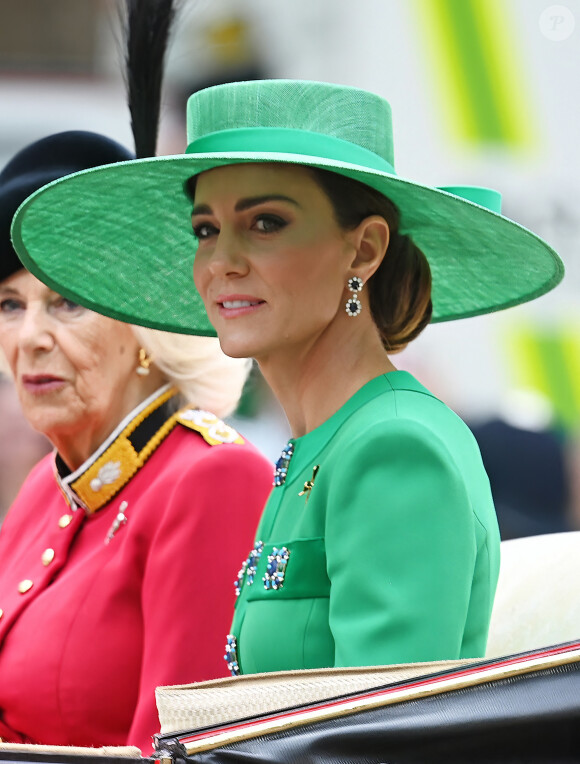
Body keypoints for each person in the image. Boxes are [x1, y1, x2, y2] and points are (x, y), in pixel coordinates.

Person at [11, 81, 565, 675]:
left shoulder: (394, 447)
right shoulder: (321, 441)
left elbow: (378, 741)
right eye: (206, 230)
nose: (222, 260)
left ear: (364, 250)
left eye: (266, 222)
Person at [0, 131, 273, 749]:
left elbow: (187, 751)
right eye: (10, 304)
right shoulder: (48, 485)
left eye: (66, 302)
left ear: (147, 323)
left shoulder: (211, 479)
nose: (30, 338)